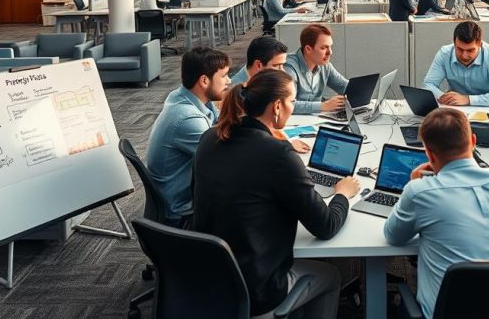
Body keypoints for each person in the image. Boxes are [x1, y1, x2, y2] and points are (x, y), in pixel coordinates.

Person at [192, 69, 360, 318]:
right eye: (292, 101)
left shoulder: (209, 137)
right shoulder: (278, 154)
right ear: (277, 107)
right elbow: (325, 226)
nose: (293, 106)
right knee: (332, 276)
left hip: (206, 278)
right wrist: (342, 194)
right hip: (256, 290)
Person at [384, 108, 489, 319]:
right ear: (473, 141)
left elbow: (393, 235)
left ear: (429, 153)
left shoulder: (420, 191)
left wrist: (412, 186)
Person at [146, 47, 231, 225]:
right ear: (204, 81)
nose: (228, 81)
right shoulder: (188, 119)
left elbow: (219, 128)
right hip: (182, 215)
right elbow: (228, 160)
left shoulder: (183, 96)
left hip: (181, 198)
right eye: (223, 76)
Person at [423, 21, 489, 107]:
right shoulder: (444, 54)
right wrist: (442, 96)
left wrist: (468, 99)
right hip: (455, 108)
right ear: (454, 43)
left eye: (470, 50)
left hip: (485, 108)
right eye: (459, 49)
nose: (464, 56)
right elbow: (428, 84)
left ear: (480, 44)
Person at [284, 24, 349, 115]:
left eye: (330, 47)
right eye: (323, 48)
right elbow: (286, 104)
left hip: (315, 120)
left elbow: (343, 86)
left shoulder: (325, 65)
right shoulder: (289, 67)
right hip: (293, 123)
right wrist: (323, 106)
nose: (330, 52)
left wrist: (359, 91)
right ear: (308, 49)